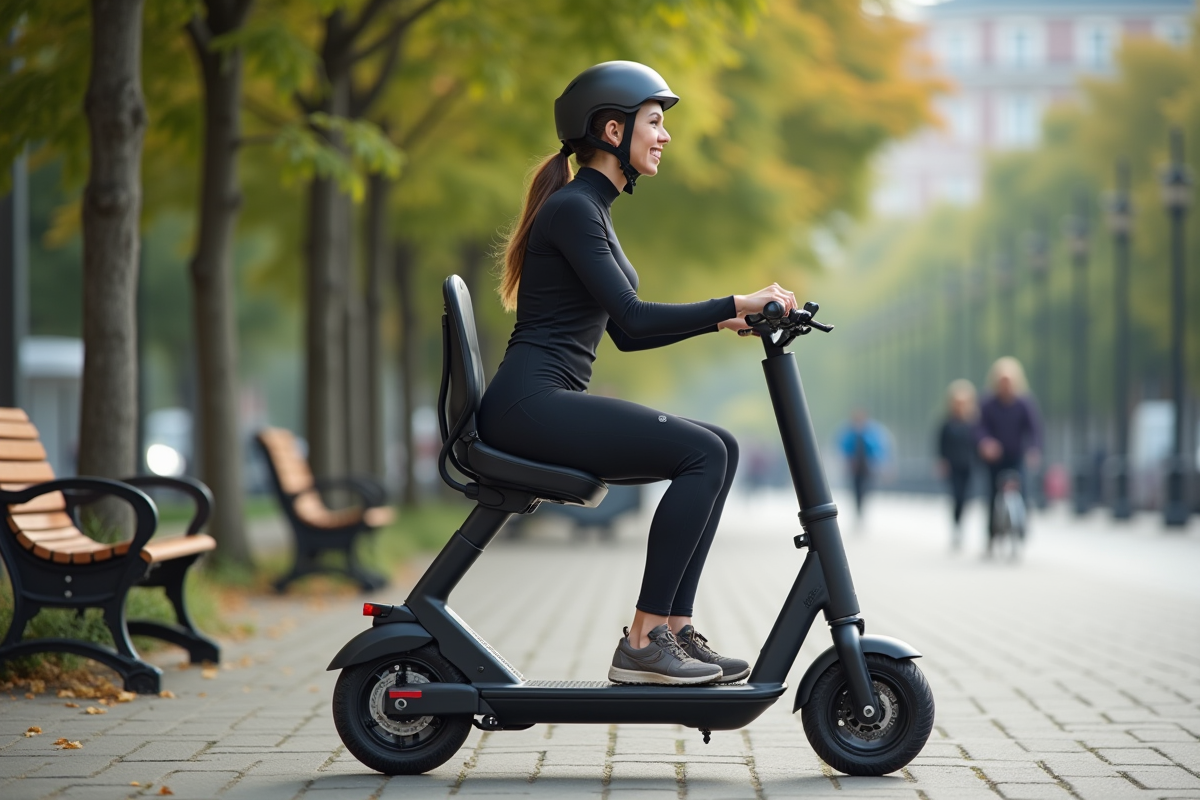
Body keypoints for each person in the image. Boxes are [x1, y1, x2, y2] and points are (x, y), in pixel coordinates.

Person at [477, 61, 796, 686]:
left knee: (721, 447)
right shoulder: (574, 209)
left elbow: (624, 332)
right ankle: (644, 640)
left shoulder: (588, 209)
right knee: (702, 452)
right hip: (528, 405)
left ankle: (674, 630)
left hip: (540, 402)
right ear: (612, 130)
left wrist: (720, 321)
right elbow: (633, 317)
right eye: (655, 122)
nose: (666, 136)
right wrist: (735, 303)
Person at [975, 357, 1043, 555]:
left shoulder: (1024, 403)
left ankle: (1021, 526)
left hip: (1016, 455)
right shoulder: (987, 403)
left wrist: (1034, 449)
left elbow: (1035, 430)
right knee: (991, 495)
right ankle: (990, 535)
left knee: (1022, 489)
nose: (1006, 385)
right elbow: (979, 428)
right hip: (994, 457)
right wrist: (985, 443)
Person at [936, 380, 978, 548]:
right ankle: (956, 525)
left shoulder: (973, 423)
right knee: (956, 495)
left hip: (969, 464)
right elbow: (941, 444)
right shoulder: (947, 423)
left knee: (967, 497)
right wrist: (941, 461)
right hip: (953, 465)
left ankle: (961, 524)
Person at [837, 409, 886, 520]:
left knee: (865, 489)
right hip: (854, 467)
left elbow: (876, 449)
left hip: (866, 468)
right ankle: (858, 510)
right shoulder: (849, 433)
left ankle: (861, 509)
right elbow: (844, 448)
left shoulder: (870, 432)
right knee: (856, 489)